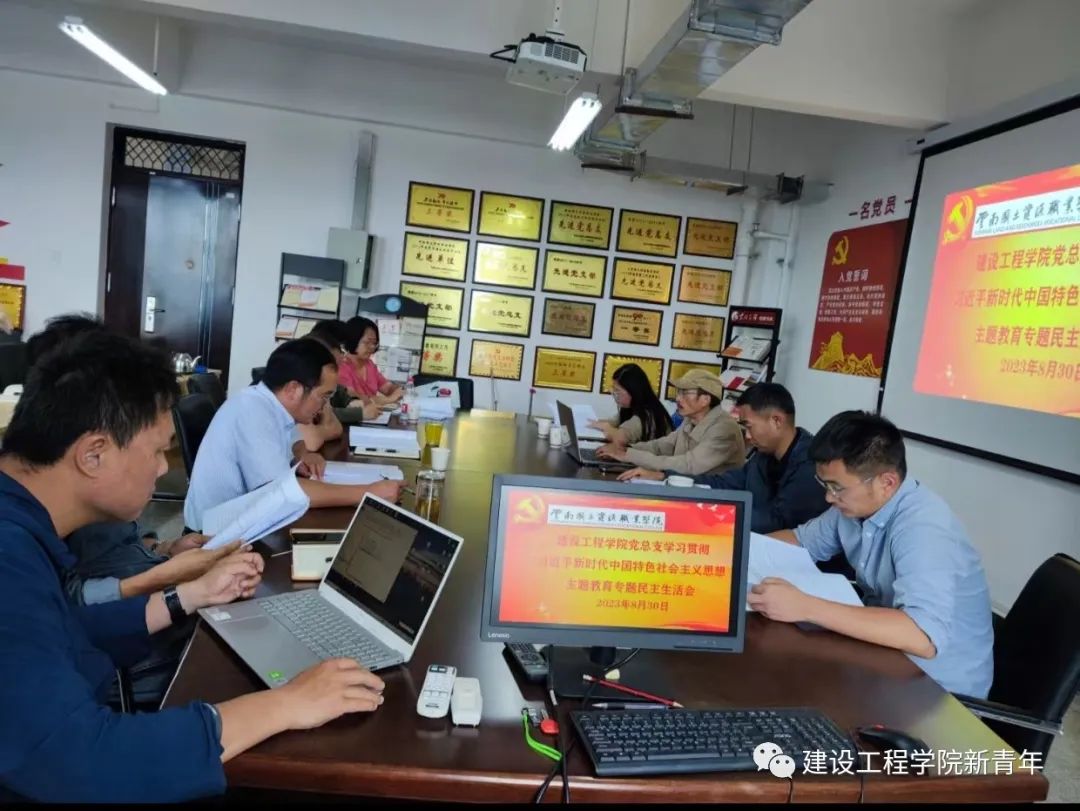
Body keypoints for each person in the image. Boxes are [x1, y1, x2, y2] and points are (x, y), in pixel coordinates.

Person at [0, 331, 387, 802]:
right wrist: (287, 703)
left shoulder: (23, 527)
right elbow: (81, 761)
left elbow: (67, 626)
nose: (164, 469)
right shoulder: (8, 557)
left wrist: (187, 596)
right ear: (93, 454)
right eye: (157, 451)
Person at [748, 410, 994, 698]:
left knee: (789, 692)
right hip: (884, 657)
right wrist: (736, 552)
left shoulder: (925, 528)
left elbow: (921, 636)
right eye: (824, 484)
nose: (828, 497)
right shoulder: (854, 507)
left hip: (938, 690)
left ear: (886, 483)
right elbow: (800, 541)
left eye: (837, 488)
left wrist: (805, 606)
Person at [183, 339, 402, 532]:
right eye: (323, 397)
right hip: (212, 536)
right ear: (293, 389)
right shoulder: (253, 411)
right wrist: (368, 493)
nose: (324, 406)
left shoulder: (272, 404)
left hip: (246, 521)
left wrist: (303, 453)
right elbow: (283, 493)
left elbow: (293, 435)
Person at [629, 383, 828, 534]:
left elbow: (779, 522)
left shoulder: (811, 465)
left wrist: (712, 513)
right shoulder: (764, 455)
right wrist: (665, 477)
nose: (747, 436)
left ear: (776, 420)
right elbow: (723, 483)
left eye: (749, 426)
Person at [604, 369, 745, 478]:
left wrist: (631, 455)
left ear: (705, 400)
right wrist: (626, 449)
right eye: (678, 392)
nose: (677, 398)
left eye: (684, 393)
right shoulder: (691, 419)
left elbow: (688, 466)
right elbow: (663, 446)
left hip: (715, 501)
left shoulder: (725, 429)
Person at [588, 363, 674, 446]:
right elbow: (613, 422)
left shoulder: (646, 415)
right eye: (613, 389)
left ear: (633, 391)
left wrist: (606, 427)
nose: (614, 394)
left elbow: (619, 438)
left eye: (617, 390)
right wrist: (592, 423)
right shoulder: (630, 408)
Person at [339, 316, 403, 405]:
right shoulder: (341, 367)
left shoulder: (369, 365)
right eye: (367, 342)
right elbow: (355, 400)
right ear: (353, 340)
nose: (372, 347)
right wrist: (390, 399)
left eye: (374, 343)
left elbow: (387, 388)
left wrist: (399, 390)